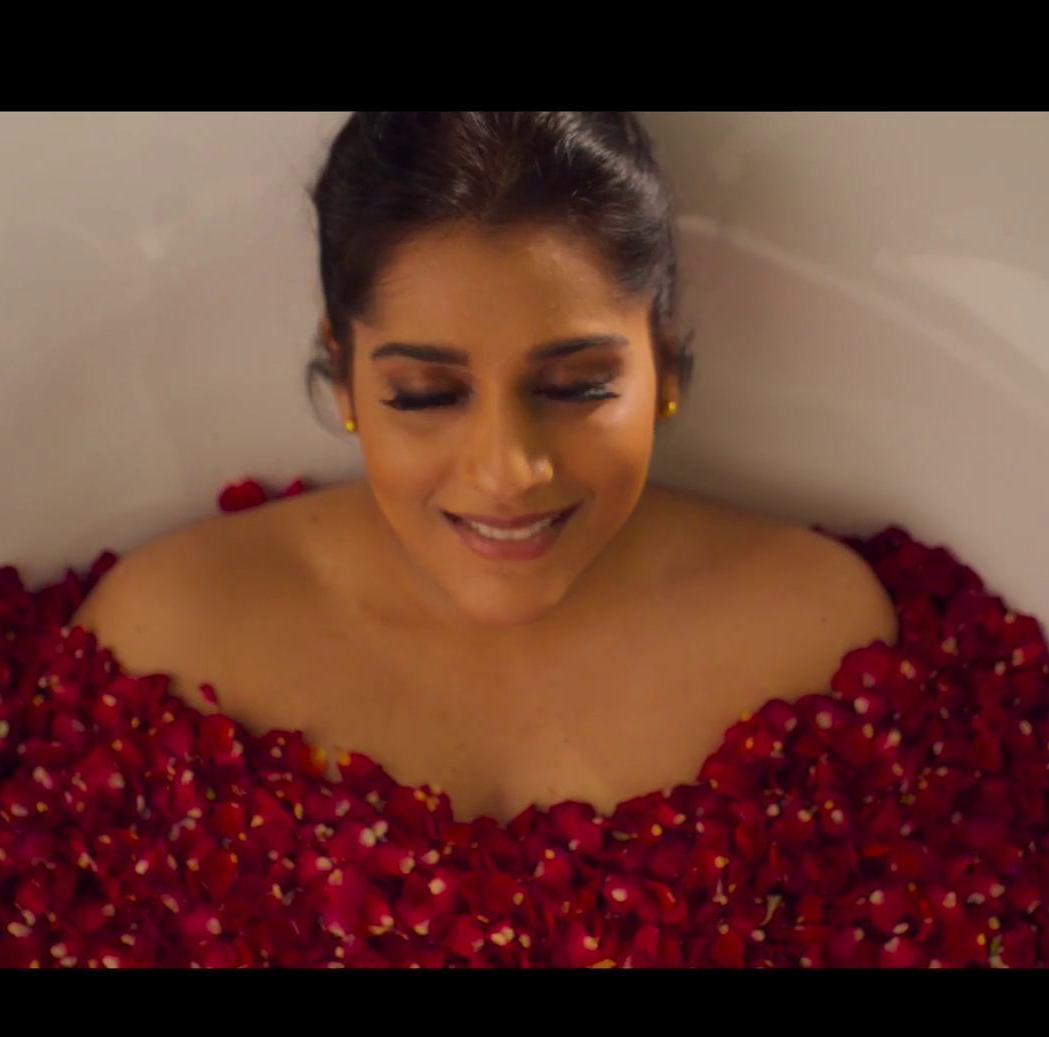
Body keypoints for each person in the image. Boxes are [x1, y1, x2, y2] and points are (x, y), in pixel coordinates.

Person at [77, 113, 895, 823]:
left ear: (666, 363)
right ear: (345, 373)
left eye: (575, 386)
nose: (507, 471)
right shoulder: (163, 646)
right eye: (427, 395)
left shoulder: (819, 642)